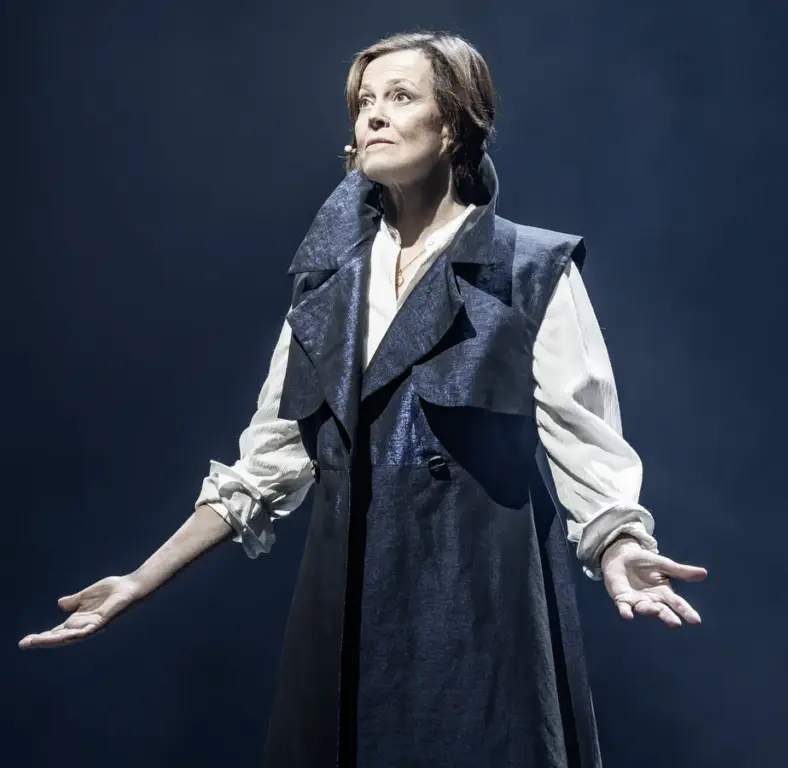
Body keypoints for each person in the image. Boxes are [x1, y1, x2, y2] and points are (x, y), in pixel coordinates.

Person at [19, 31, 707, 768]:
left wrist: (621, 545)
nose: (373, 115)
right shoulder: (326, 286)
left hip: (479, 607)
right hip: (343, 613)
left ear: (454, 125)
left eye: (400, 97)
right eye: (364, 102)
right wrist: (139, 580)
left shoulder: (530, 268)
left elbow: (584, 439)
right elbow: (268, 465)